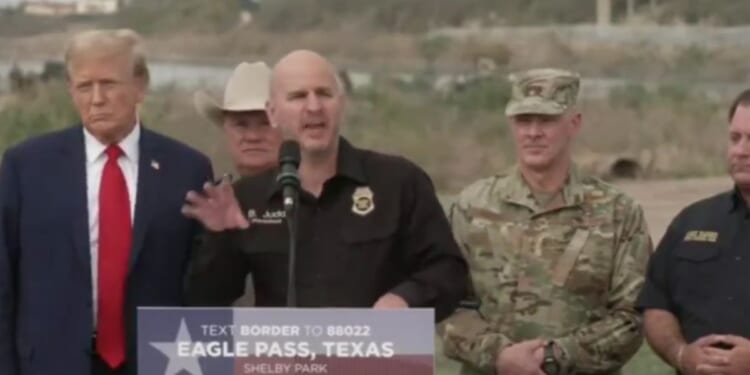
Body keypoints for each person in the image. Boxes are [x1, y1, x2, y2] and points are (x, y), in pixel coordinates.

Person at [182, 49, 467, 322]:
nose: (314, 106)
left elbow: (449, 271)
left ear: (341, 104)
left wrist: (405, 298)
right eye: (297, 96)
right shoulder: (247, 199)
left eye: (324, 94)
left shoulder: (399, 182)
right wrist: (220, 239)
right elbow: (205, 305)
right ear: (274, 112)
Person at [0, 29, 213, 375]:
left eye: (109, 84)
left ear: (140, 85)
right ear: (71, 90)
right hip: (51, 362)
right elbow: (4, 280)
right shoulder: (26, 166)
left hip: (157, 362)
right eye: (85, 86)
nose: (97, 98)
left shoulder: (187, 168)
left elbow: (202, 281)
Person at [442, 68, 653, 375]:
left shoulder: (618, 211)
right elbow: (447, 304)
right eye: (524, 120)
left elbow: (632, 315)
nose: (533, 132)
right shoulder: (473, 206)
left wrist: (556, 358)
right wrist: (500, 356)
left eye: (546, 120)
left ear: (574, 123)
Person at [636, 89, 750, 375]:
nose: (741, 150)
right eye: (735, 138)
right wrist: (682, 354)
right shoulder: (692, 221)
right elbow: (657, 304)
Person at [194, 61, 282, 177]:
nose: (253, 136)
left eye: (266, 123)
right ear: (226, 130)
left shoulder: (304, 193)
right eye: (241, 125)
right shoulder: (212, 192)